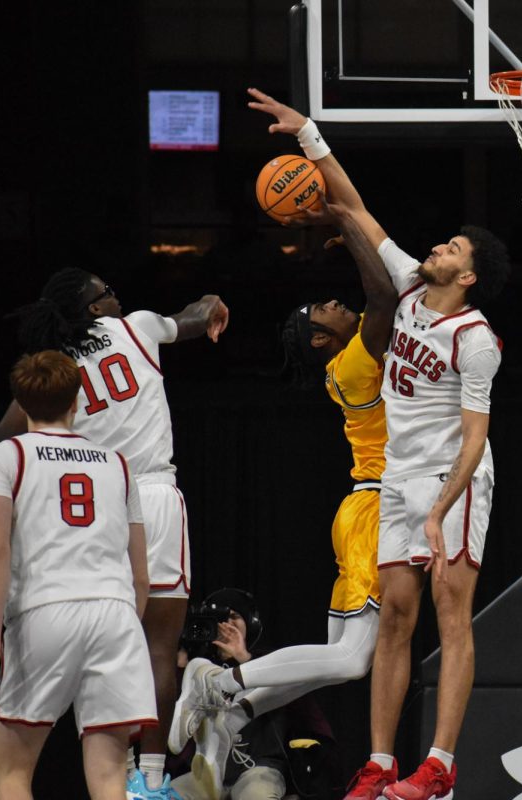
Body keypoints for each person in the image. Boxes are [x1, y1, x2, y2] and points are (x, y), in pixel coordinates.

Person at [244, 87, 511, 800]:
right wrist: (309, 135)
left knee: (451, 617)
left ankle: (440, 764)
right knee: (394, 617)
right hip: (398, 478)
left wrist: (440, 507)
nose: (437, 245)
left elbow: (477, 438)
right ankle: (381, 762)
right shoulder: (409, 286)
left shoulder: (476, 339)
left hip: (454, 479)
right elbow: (358, 210)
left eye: (451, 246)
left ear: (469, 274)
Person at [170, 182, 399, 794]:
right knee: (351, 662)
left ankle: (234, 710)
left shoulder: (348, 360)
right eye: (320, 310)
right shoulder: (352, 359)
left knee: (335, 662)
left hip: (363, 508)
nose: (330, 302)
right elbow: (383, 292)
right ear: (321, 340)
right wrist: (349, 220)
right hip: (379, 509)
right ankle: (221, 684)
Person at [0, 269, 228, 799]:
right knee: (158, 647)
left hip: (90, 504)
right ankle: (151, 781)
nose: (119, 297)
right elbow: (194, 316)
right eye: (108, 293)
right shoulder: (137, 327)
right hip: (147, 491)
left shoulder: (57, 372)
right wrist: (213, 302)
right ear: (95, 309)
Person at [0, 351, 155, 800]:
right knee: (110, 779)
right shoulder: (117, 463)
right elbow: (140, 574)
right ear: (76, 400)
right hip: (116, 614)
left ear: (20, 403)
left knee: (13, 773)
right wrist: (125, 625)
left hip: (47, 608)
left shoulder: (3, 457)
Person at [170, 588, 338, 800]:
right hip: (205, 773)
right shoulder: (197, 672)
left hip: (259, 768)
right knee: (168, 795)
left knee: (255, 795)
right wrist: (180, 659)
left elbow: (300, 709)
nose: (226, 625)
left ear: (251, 623)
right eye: (218, 619)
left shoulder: (268, 662)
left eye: (234, 617)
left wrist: (244, 659)